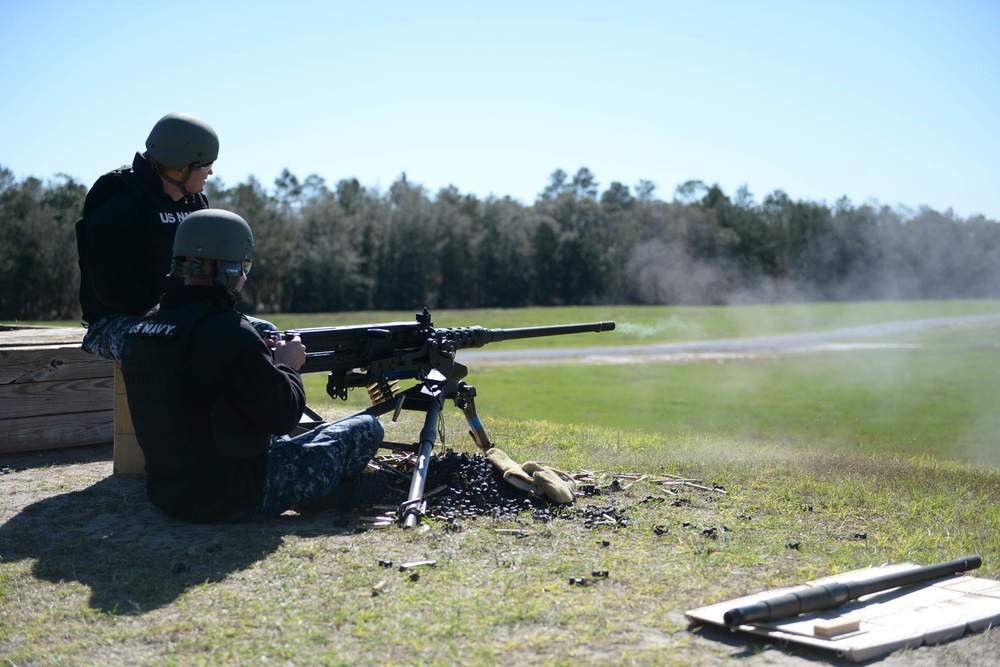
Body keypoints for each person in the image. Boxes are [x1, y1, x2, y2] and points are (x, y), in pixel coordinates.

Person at [120, 209, 385, 523]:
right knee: (367, 428)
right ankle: (333, 494)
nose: (245, 275)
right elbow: (283, 416)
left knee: (284, 444)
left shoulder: (141, 330)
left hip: (169, 496)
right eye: (243, 265)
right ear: (225, 268)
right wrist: (287, 366)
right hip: (233, 497)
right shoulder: (228, 331)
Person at [76, 112, 270, 361]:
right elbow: (113, 291)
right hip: (115, 322)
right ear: (180, 168)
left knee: (265, 334)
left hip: (186, 315)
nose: (210, 173)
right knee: (183, 343)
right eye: (205, 166)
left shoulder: (195, 203)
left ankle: (270, 401)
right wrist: (178, 315)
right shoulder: (119, 205)